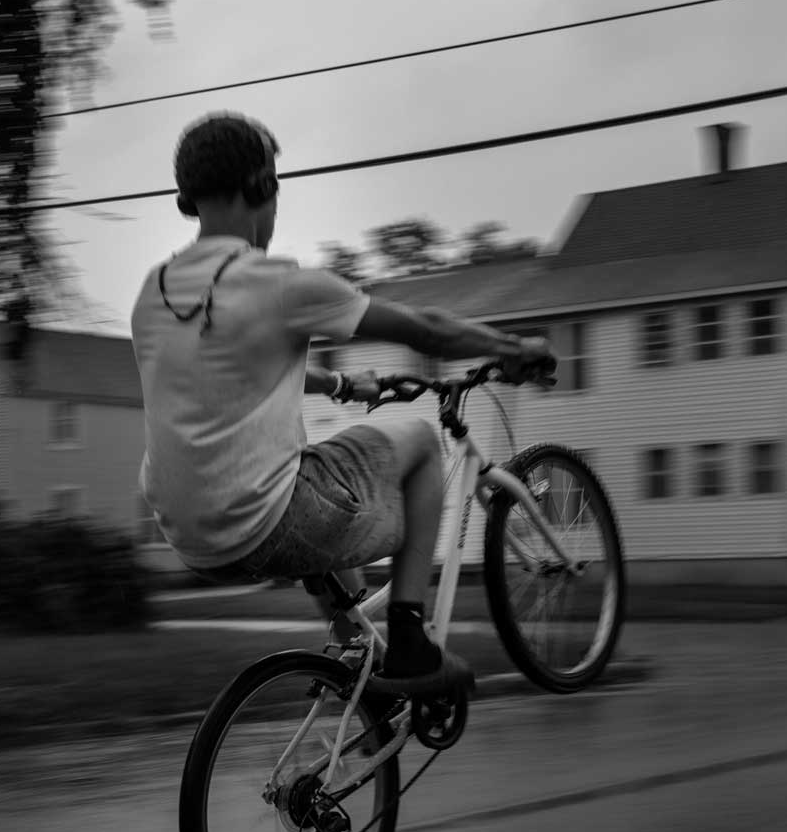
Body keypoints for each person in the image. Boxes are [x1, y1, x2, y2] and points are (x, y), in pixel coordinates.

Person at [129, 111, 554, 699]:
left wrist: (342, 387)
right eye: (273, 186)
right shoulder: (281, 284)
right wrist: (512, 348)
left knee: (304, 469)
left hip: (189, 536)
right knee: (422, 444)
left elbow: (239, 370)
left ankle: (351, 650)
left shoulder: (153, 293)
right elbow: (426, 329)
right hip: (270, 520)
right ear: (261, 187)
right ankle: (410, 643)